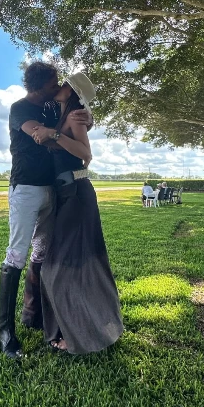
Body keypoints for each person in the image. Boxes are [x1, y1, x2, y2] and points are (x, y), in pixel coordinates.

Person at [0, 61, 91, 359]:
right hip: (25, 189)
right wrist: (49, 132)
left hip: (53, 189)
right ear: (37, 87)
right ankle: (5, 333)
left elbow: (69, 121)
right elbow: (35, 132)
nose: (57, 87)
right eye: (53, 84)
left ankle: (35, 315)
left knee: (43, 254)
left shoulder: (52, 107)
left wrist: (87, 119)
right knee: (16, 255)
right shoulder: (19, 108)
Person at [31, 73, 124, 354]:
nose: (58, 87)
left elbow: (86, 154)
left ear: (72, 91)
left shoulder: (74, 117)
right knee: (71, 265)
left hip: (77, 194)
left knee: (63, 268)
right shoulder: (62, 114)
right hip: (65, 196)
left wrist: (55, 135)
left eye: (64, 84)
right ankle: (86, 325)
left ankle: (78, 336)